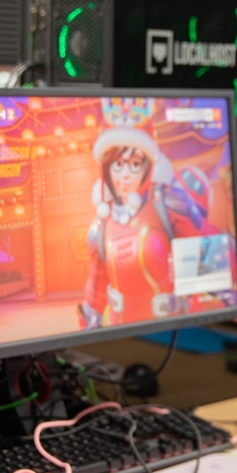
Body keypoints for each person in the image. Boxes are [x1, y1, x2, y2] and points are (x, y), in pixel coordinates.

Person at [79, 127, 177, 327]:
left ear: (148, 168)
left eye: (134, 164)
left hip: (172, 328)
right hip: (123, 333)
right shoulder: (101, 226)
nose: (124, 175)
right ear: (106, 169)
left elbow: (203, 257)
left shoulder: (166, 205)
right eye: (117, 164)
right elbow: (97, 287)